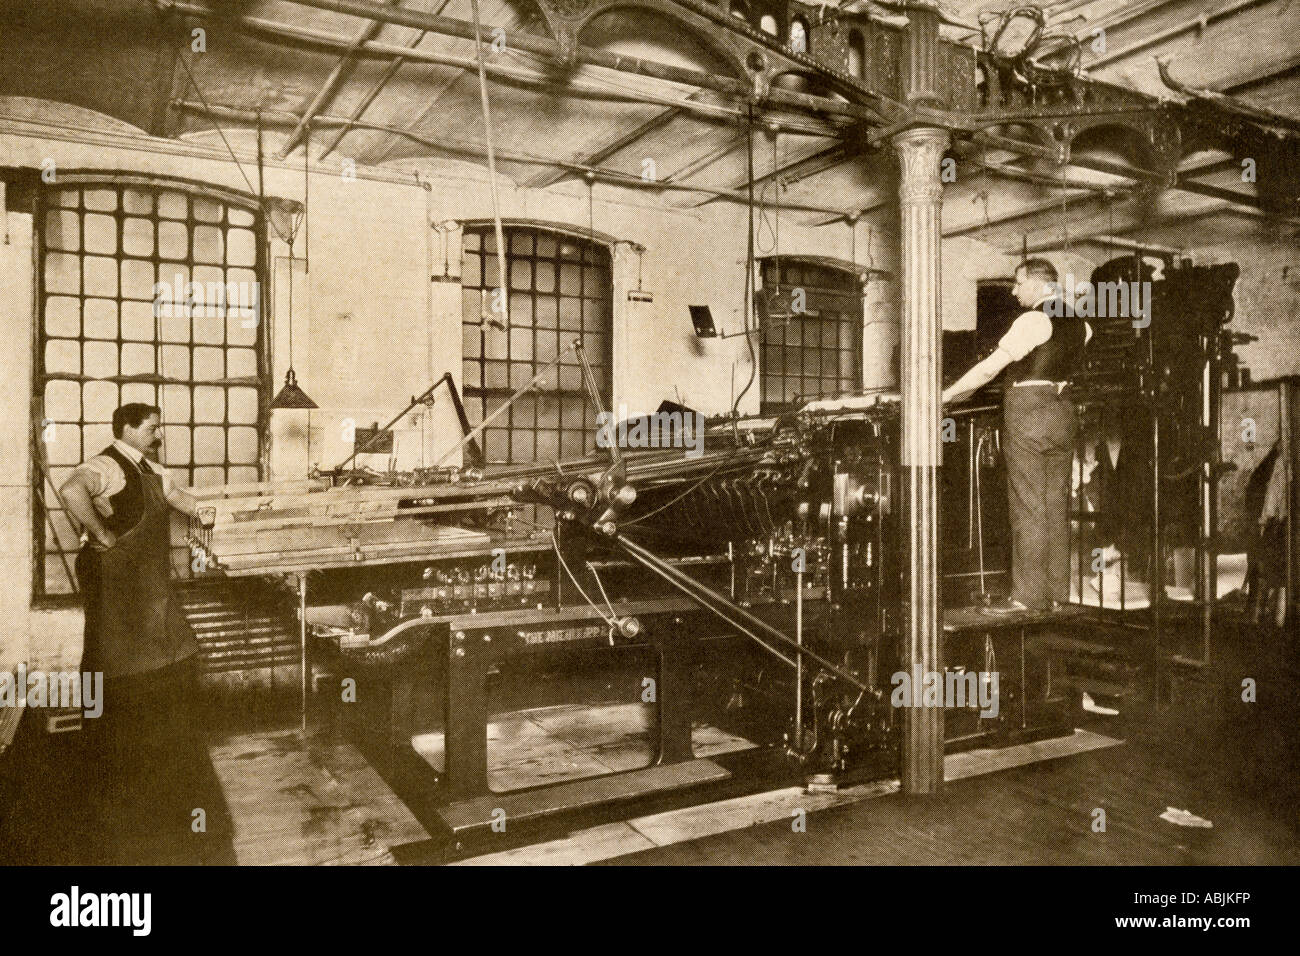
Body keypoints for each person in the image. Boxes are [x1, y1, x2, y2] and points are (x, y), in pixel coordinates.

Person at [59, 403, 230, 863]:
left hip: (147, 580)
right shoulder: (103, 465)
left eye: (159, 426)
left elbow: (182, 502)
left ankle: (155, 757)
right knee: (110, 660)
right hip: (116, 577)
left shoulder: (151, 469)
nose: (159, 433)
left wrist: (224, 515)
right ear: (127, 429)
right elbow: (71, 490)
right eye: (152, 427)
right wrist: (102, 535)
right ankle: (109, 768)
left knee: (169, 654)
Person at [942, 259, 1091, 614]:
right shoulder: (1083, 326)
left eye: (1018, 283)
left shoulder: (1032, 320)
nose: (1013, 291)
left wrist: (946, 396)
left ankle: (1026, 597)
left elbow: (991, 367)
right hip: (1063, 411)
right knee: (1057, 505)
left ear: (1039, 285)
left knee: (1028, 504)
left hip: (1029, 410)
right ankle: (1057, 594)